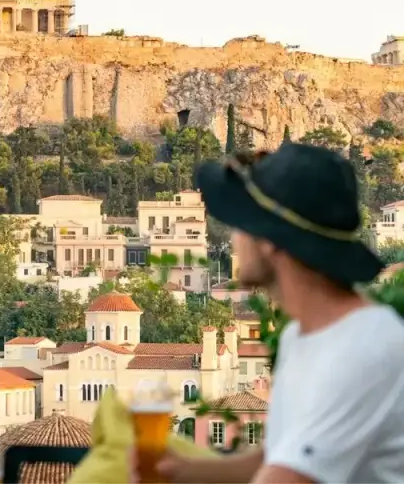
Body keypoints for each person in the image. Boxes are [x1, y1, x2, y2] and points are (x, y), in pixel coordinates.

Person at [145, 143, 404, 483]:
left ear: (271, 240)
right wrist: (184, 471)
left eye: (242, 223)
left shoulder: (366, 347)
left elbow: (288, 477)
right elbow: (279, 455)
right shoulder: (302, 336)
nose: (234, 239)